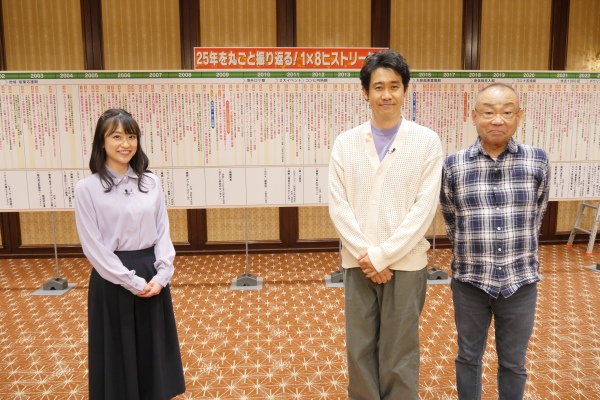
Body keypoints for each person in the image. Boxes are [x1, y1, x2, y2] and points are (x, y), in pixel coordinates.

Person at [328, 49, 443, 399]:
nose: (387, 94)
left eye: (394, 86)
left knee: (399, 349)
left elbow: (424, 209)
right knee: (359, 347)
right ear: (365, 92)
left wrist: (383, 255)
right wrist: (368, 255)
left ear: (405, 90)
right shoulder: (345, 142)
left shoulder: (426, 141)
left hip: (405, 264)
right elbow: (338, 206)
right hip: (358, 263)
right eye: (378, 87)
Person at [440, 83, 550, 400]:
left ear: (519, 117)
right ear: (474, 116)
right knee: (468, 358)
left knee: (514, 363)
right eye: (488, 112)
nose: (497, 119)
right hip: (470, 282)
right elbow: (450, 217)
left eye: (506, 112)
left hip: (520, 282)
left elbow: (537, 213)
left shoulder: (537, 161)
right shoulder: (454, 164)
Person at [75, 109, 186, 400]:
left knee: (152, 351)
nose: (125, 144)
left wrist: (162, 275)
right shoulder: (87, 188)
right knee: (117, 352)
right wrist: (131, 281)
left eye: (131, 136)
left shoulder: (151, 182)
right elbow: (93, 247)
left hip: (152, 274)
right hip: (113, 278)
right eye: (116, 137)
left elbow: (162, 231)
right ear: (101, 142)